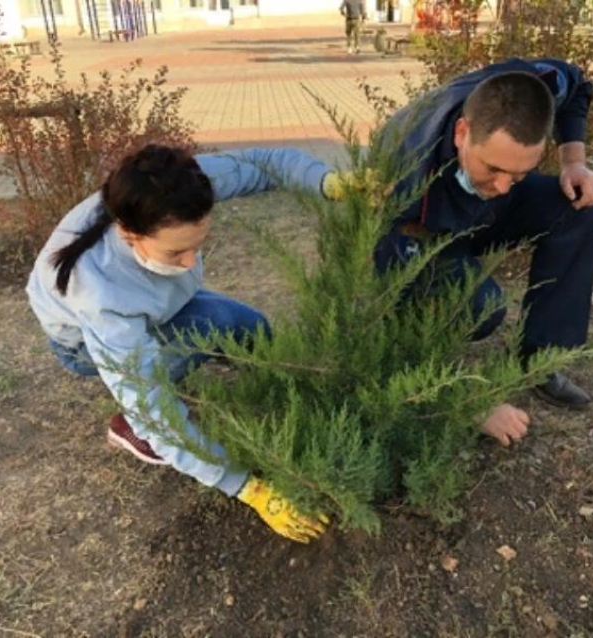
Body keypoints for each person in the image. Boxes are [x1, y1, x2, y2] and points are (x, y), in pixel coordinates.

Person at [27, 145, 351, 543]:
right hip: (79, 345)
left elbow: (260, 164)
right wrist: (247, 487)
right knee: (189, 353)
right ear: (130, 233)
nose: (189, 262)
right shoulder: (101, 295)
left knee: (252, 329)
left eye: (197, 245)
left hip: (156, 304)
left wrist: (326, 181)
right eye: (176, 251)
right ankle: (132, 429)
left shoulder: (176, 189)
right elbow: (153, 404)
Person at [375, 59, 593, 441]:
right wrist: (467, 399)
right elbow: (390, 309)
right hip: (430, 227)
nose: (503, 184)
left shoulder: (540, 85)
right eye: (493, 168)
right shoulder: (403, 175)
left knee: (580, 204)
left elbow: (579, 84)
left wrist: (574, 163)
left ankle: (539, 358)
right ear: (462, 133)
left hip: (483, 214)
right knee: (482, 307)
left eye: (517, 173)